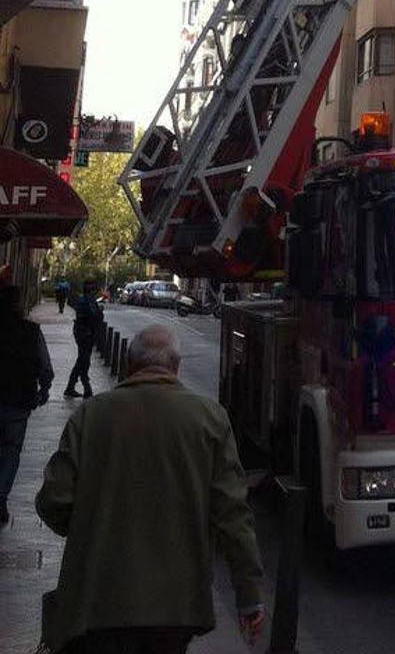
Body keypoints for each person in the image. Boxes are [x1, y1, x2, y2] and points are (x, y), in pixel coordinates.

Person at [36, 325, 266, 654]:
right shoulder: (210, 419)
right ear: (176, 366)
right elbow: (233, 515)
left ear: (131, 365)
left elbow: (53, 500)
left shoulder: (91, 415)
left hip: (98, 598)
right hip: (176, 606)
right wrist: (249, 595)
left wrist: (92, 528)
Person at [0, 285, 54, 525]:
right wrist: (44, 389)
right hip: (19, 402)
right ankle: (0, 498)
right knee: (11, 452)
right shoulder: (31, 331)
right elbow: (45, 366)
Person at [65, 280, 102, 398]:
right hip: (85, 333)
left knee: (82, 360)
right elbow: (93, 315)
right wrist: (99, 311)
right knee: (84, 360)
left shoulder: (85, 299)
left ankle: (71, 387)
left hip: (84, 333)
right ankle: (86, 387)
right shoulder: (86, 300)